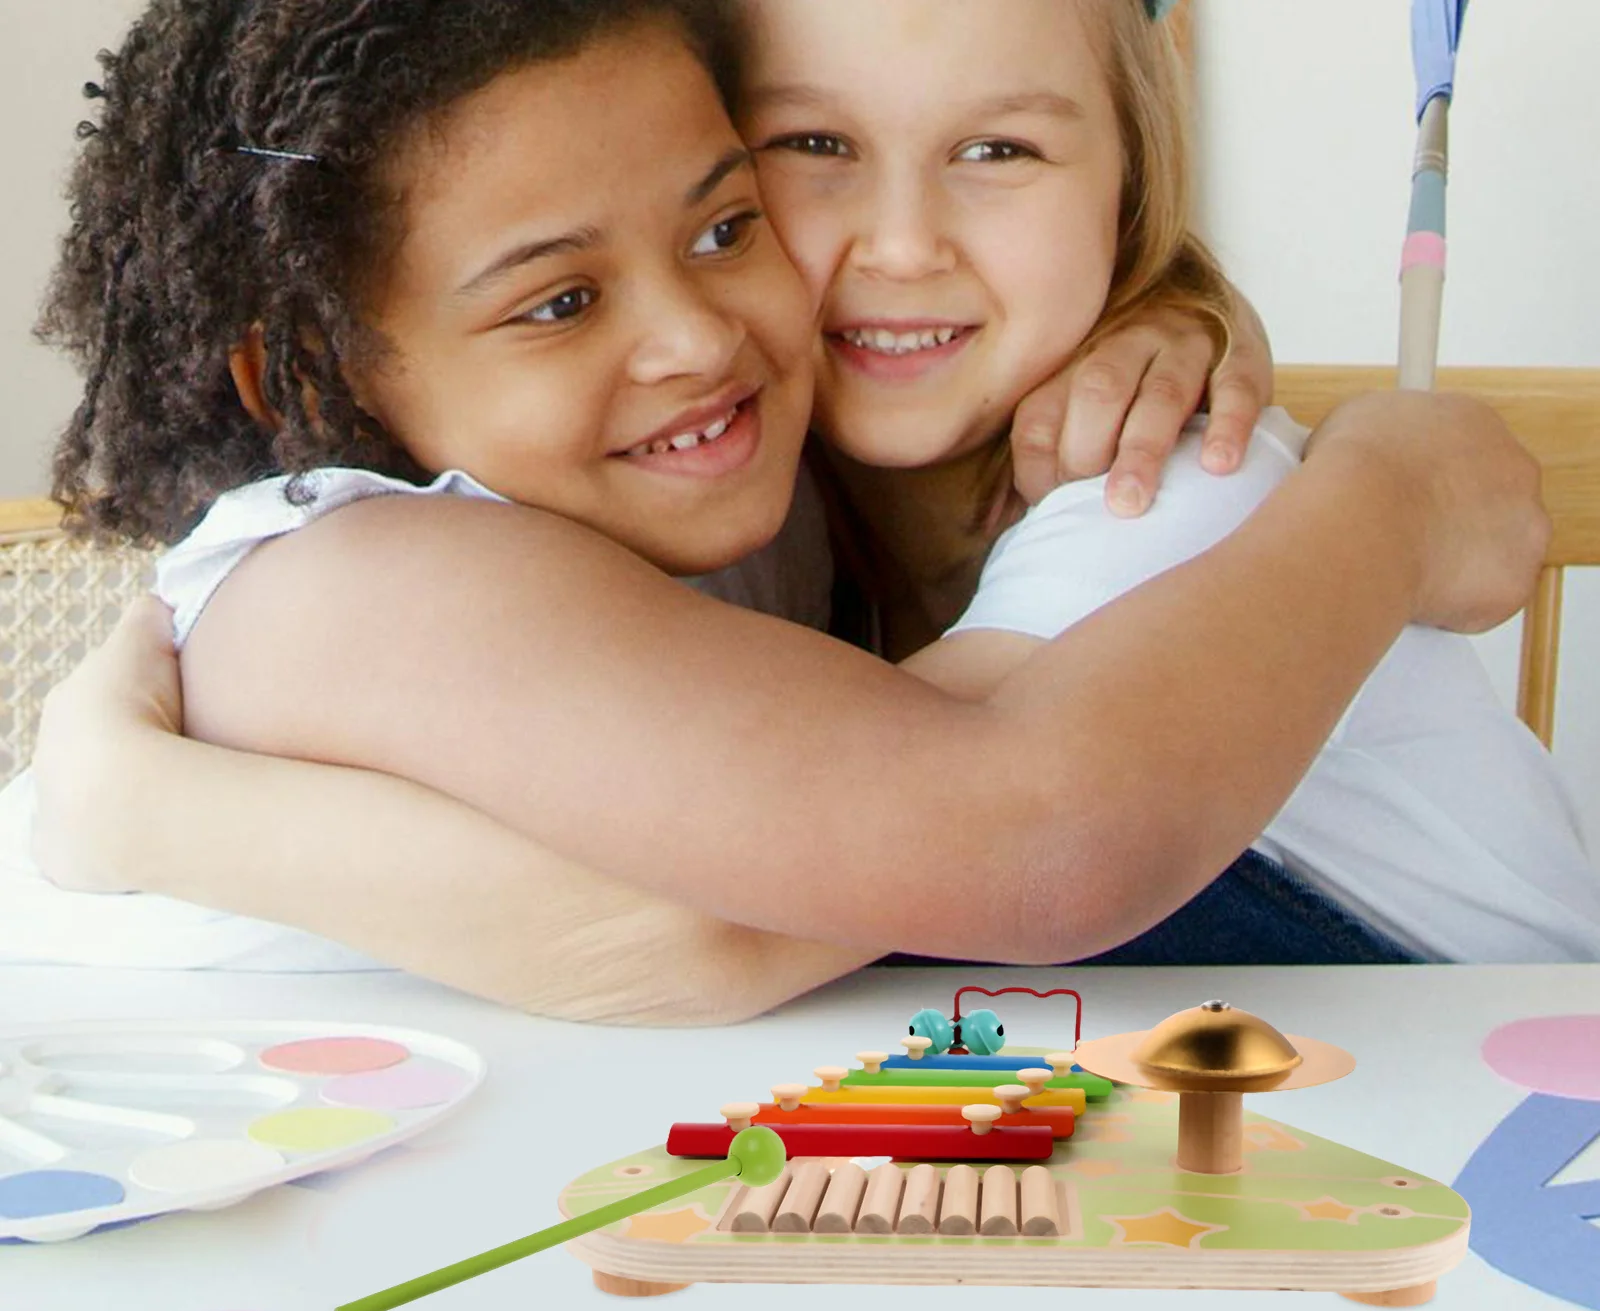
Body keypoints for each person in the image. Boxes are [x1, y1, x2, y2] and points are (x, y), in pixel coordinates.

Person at [1, 0, 1550, 1023]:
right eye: (557, 302)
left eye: (726, 223)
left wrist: (1198, 325)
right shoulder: (358, 582)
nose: (696, 338)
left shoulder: (812, 506)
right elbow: (778, 908)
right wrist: (1393, 495)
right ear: (309, 373)